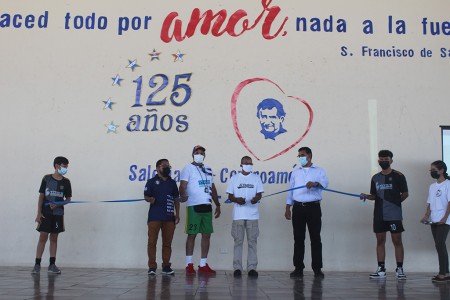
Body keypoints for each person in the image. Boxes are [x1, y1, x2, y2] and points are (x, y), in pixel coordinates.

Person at [361, 150, 409, 280]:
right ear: (378, 161)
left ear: (391, 160)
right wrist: (365, 196)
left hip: (394, 214)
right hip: (379, 215)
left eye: (386, 159)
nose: (383, 161)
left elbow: (405, 194)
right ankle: (381, 269)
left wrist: (394, 205)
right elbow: (374, 196)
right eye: (381, 159)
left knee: (397, 241)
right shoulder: (375, 178)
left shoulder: (399, 176)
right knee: (380, 241)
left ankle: (399, 269)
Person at [285, 147, 329, 278]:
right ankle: (298, 268)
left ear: (309, 155)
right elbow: (290, 190)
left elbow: (325, 183)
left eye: (302, 155)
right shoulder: (295, 172)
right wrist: (288, 207)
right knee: (298, 238)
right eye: (299, 156)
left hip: (313, 208)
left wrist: (315, 183)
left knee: (315, 238)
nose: (300, 158)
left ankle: (317, 268)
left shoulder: (319, 171)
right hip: (298, 208)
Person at [179, 145, 221, 274]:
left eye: (202, 153)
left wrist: (217, 204)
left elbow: (212, 187)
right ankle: (189, 264)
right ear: (193, 154)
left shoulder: (208, 169)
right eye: (197, 152)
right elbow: (182, 185)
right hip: (193, 206)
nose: (200, 154)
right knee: (192, 234)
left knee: (206, 235)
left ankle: (203, 265)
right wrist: (183, 195)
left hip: (207, 205)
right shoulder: (188, 168)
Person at [32, 156, 72, 275]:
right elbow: (41, 197)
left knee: (54, 238)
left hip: (58, 214)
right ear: (57, 166)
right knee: (43, 237)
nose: (65, 168)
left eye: (66, 166)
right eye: (64, 166)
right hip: (45, 213)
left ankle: (52, 264)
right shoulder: (46, 179)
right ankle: (37, 264)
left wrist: (58, 204)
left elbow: (68, 199)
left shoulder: (66, 182)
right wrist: (38, 213)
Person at [226, 156, 264, 278]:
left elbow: (259, 194)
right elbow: (230, 196)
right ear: (241, 164)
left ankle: (252, 268)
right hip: (238, 215)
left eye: (250, 163)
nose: (248, 165)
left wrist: (256, 199)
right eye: (246, 163)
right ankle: (237, 268)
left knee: (252, 242)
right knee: (238, 242)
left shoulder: (256, 178)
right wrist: (236, 199)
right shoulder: (234, 178)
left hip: (252, 215)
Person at [144, 158, 180, 276]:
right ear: (158, 167)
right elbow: (146, 196)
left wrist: (178, 214)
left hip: (169, 217)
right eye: (164, 165)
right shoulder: (151, 182)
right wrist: (150, 199)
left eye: (168, 165)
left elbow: (176, 199)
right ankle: (152, 267)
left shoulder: (172, 182)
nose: (167, 167)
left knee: (167, 243)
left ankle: (166, 267)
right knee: (152, 242)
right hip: (154, 217)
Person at [420, 160, 450, 282]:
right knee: (439, 246)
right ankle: (446, 272)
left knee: (440, 244)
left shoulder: (448, 184)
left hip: (445, 220)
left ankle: (442, 273)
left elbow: (449, 202)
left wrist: (444, 218)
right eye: (431, 170)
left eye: (434, 170)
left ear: (442, 170)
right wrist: (426, 216)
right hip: (434, 220)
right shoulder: (432, 186)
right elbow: (430, 203)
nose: (432, 172)